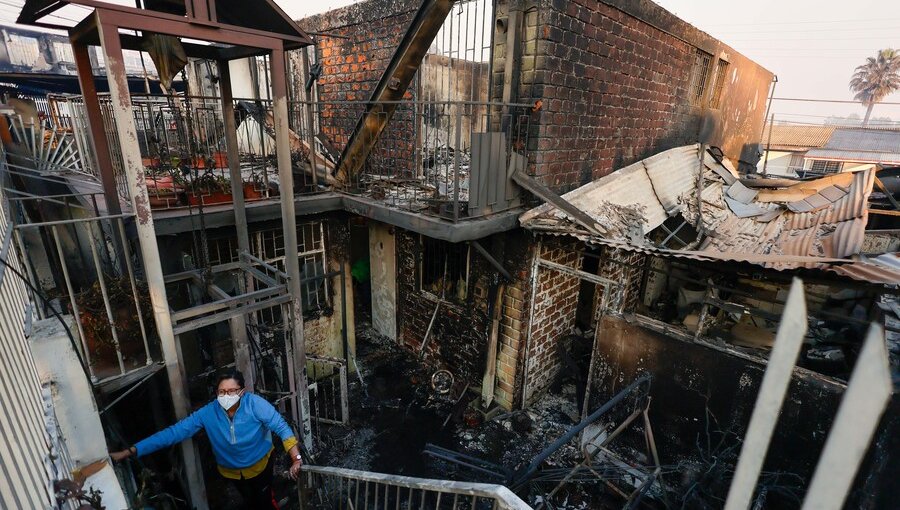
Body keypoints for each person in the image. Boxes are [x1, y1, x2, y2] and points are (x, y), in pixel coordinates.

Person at [110, 369, 302, 509]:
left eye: (232, 391)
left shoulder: (255, 405)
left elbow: (281, 427)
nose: (226, 396)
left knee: (263, 501)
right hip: (231, 473)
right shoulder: (208, 413)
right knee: (249, 501)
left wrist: (296, 459)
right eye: (222, 392)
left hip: (261, 466)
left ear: (242, 391)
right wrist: (132, 451)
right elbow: (173, 433)